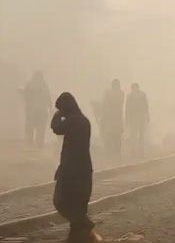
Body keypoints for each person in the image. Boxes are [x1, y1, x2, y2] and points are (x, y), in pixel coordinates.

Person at [51, 92, 100, 243]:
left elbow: (56, 128)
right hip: (84, 168)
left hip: (71, 168)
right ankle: (80, 237)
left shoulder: (72, 120)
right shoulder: (84, 120)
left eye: (61, 108)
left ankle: (85, 225)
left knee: (60, 200)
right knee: (78, 203)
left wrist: (56, 115)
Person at [22, 71, 52, 148]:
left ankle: (30, 143)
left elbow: (25, 96)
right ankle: (39, 144)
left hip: (32, 111)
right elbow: (48, 98)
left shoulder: (29, 84)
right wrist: (50, 107)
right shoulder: (44, 85)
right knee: (41, 129)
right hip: (41, 111)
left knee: (30, 127)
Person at [101, 79, 124, 155]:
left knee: (112, 133)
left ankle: (111, 150)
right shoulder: (120, 93)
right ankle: (116, 150)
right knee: (116, 134)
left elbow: (106, 103)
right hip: (115, 116)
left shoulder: (109, 93)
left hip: (112, 116)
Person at [125, 83, 150, 153]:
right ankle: (134, 149)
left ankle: (140, 150)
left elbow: (146, 106)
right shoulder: (130, 96)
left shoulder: (142, 95)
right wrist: (127, 118)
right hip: (134, 117)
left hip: (140, 117)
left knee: (141, 134)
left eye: (136, 88)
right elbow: (127, 108)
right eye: (134, 88)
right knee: (134, 134)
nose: (135, 89)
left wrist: (148, 116)